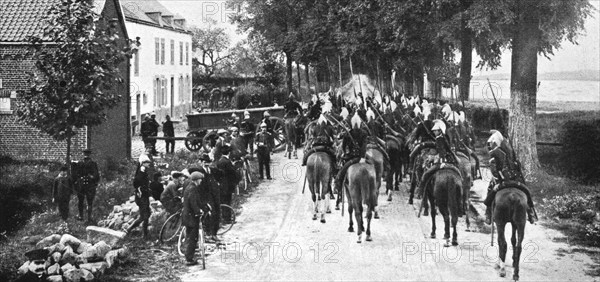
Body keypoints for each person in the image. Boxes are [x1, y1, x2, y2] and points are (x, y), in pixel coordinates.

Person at [484, 131, 537, 225]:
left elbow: (496, 170)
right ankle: (530, 213)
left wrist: (516, 165)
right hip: (509, 178)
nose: (490, 145)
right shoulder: (504, 151)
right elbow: (498, 169)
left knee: (491, 190)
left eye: (492, 143)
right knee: (525, 190)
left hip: (507, 178)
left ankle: (488, 215)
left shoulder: (501, 153)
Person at [417, 120, 462, 216]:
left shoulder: (439, 139)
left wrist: (439, 160)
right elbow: (448, 150)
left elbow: (441, 151)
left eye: (436, 130)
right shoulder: (443, 138)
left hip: (441, 161)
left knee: (426, 174)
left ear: (440, 131)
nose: (434, 132)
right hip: (449, 160)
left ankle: (421, 190)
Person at [189, 154, 222, 243]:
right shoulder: (199, 171)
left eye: (208, 162)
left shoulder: (212, 171)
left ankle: (214, 234)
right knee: (208, 215)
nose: (206, 164)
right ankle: (207, 234)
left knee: (216, 214)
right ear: (201, 162)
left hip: (215, 196)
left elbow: (220, 174)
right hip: (205, 197)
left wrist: (217, 184)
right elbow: (190, 171)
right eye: (204, 162)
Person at [334, 113, 368, 197]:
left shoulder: (348, 133)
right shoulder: (364, 133)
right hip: (361, 157)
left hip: (351, 158)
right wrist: (363, 157)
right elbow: (364, 147)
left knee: (341, 172)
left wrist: (345, 153)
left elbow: (343, 146)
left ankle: (337, 185)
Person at [182, 171, 211, 266]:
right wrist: (198, 212)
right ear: (196, 180)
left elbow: (197, 201)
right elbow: (193, 202)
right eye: (200, 179)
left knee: (191, 236)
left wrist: (204, 206)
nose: (201, 181)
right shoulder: (192, 189)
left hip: (188, 215)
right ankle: (189, 259)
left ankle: (189, 255)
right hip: (191, 217)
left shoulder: (190, 187)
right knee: (193, 238)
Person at [126, 154, 152, 239]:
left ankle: (131, 229)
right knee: (145, 215)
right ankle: (144, 234)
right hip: (142, 197)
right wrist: (143, 190)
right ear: (143, 163)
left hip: (143, 196)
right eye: (147, 162)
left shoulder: (143, 171)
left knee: (144, 215)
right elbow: (137, 183)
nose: (148, 164)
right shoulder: (141, 172)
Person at [73, 148, 100, 223]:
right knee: (89, 201)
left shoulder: (80, 163)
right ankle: (89, 218)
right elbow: (96, 175)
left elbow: (76, 174)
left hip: (81, 184)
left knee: (81, 201)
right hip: (90, 184)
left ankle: (81, 216)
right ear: (89, 154)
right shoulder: (93, 163)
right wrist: (94, 181)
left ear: (83, 154)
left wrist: (77, 182)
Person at [216, 145, 240, 223]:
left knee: (223, 201)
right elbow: (232, 172)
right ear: (229, 153)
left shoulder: (219, 161)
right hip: (228, 184)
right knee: (227, 201)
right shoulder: (227, 161)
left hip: (221, 184)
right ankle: (227, 219)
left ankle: (224, 217)